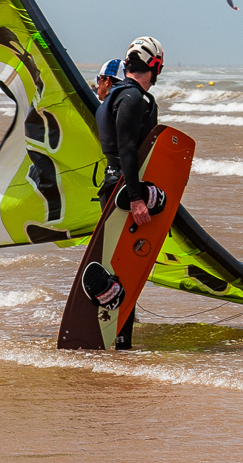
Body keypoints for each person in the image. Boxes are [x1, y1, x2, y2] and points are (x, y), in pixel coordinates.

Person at [94, 36, 165, 349]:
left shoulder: (112, 97)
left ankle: (119, 336)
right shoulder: (134, 99)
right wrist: (137, 198)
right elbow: (127, 150)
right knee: (128, 269)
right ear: (154, 66)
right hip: (125, 193)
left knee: (121, 266)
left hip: (112, 187)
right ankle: (121, 341)